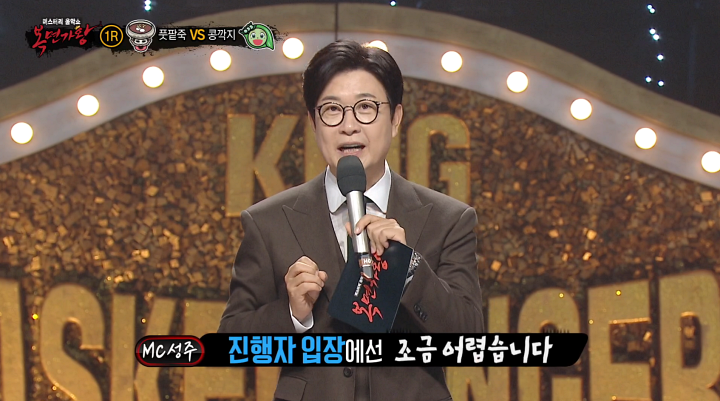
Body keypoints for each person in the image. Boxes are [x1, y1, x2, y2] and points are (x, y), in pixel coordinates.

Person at [218, 39, 484, 401]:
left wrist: (408, 268)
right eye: (332, 110)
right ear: (313, 122)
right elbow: (231, 344)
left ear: (396, 118)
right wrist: (292, 315)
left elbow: (470, 340)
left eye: (366, 107)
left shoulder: (449, 219)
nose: (349, 126)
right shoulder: (269, 222)